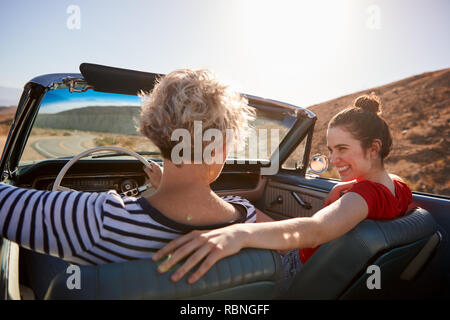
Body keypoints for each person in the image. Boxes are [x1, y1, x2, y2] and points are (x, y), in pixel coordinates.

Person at [0, 69, 266, 266]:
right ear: (219, 149)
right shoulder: (249, 220)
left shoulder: (97, 219)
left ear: (154, 132)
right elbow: (304, 233)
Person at [152, 93, 413, 289]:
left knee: (239, 215)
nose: (334, 159)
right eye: (331, 150)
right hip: (318, 262)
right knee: (248, 208)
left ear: (374, 148)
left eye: (342, 149)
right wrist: (351, 184)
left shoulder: (362, 198)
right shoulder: (397, 188)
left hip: (295, 268)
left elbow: (315, 231)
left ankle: (169, 188)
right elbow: (389, 179)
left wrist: (238, 235)